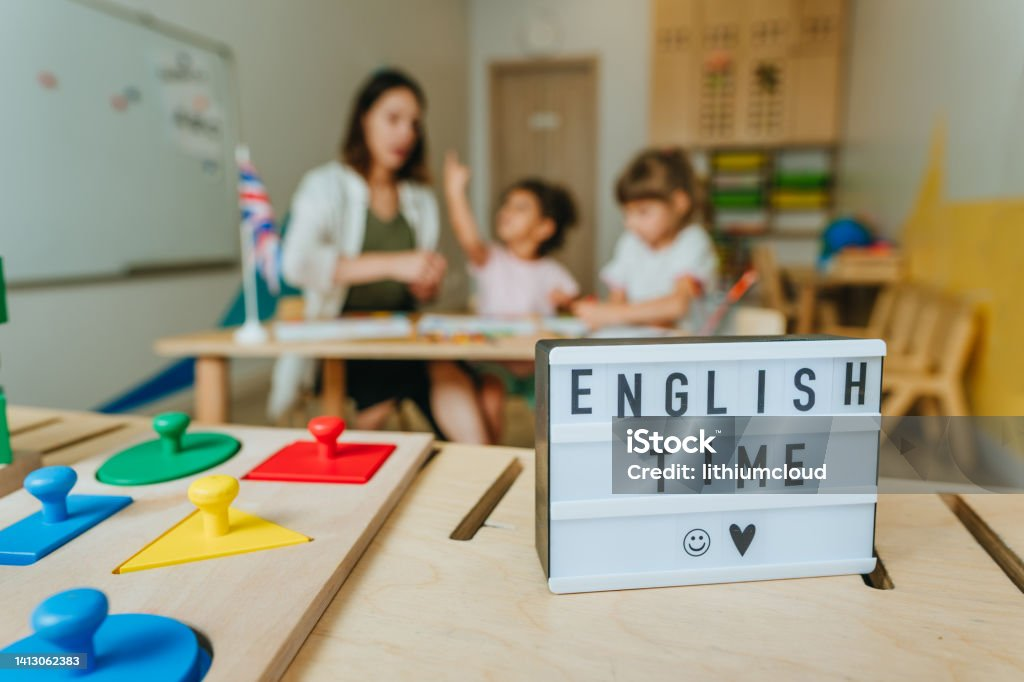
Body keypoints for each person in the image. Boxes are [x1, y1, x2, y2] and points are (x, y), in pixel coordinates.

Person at [272, 69, 489, 443]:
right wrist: (395, 263)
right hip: (344, 342)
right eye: (393, 119)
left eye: (414, 124)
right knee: (384, 396)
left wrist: (424, 284)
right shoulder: (324, 186)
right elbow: (296, 264)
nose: (406, 133)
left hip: (405, 333)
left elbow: (417, 292)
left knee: (464, 381)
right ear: (364, 118)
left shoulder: (419, 198)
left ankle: (487, 478)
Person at [444, 151, 579, 441]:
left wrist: (567, 305)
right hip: (496, 361)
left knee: (561, 405)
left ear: (544, 228)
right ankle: (490, 460)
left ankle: (558, 464)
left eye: (520, 208)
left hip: (536, 365)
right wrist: (455, 192)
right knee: (490, 396)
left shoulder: (553, 272)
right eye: (505, 205)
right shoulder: (492, 260)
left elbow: (576, 313)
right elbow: (467, 236)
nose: (506, 211)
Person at [573, 147, 718, 330]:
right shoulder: (630, 242)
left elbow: (677, 306)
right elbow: (617, 300)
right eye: (627, 213)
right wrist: (602, 314)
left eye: (643, 212)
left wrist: (610, 313)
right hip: (637, 342)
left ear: (679, 203)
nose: (630, 223)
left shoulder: (692, 241)